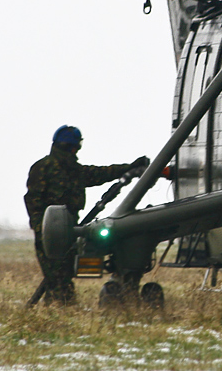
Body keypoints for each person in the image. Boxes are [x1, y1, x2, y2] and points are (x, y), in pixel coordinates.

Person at [24, 125, 149, 304]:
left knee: (61, 277)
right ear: (74, 147)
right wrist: (43, 230)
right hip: (51, 234)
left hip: (67, 231)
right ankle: (59, 311)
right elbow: (33, 201)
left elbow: (100, 173)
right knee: (58, 280)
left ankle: (58, 311)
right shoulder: (43, 168)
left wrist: (128, 168)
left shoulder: (72, 170)